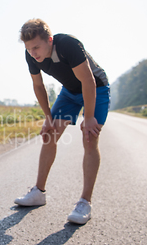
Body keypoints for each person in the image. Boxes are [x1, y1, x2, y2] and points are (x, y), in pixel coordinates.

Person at [14, 19, 110, 225]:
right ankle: (38, 193)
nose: (33, 53)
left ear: (49, 40)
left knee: (89, 138)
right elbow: (38, 86)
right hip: (69, 92)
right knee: (49, 134)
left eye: (37, 47)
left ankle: (85, 202)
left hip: (96, 88)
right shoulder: (30, 55)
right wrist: (48, 117)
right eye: (29, 49)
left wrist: (89, 116)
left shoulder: (68, 45)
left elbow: (88, 81)